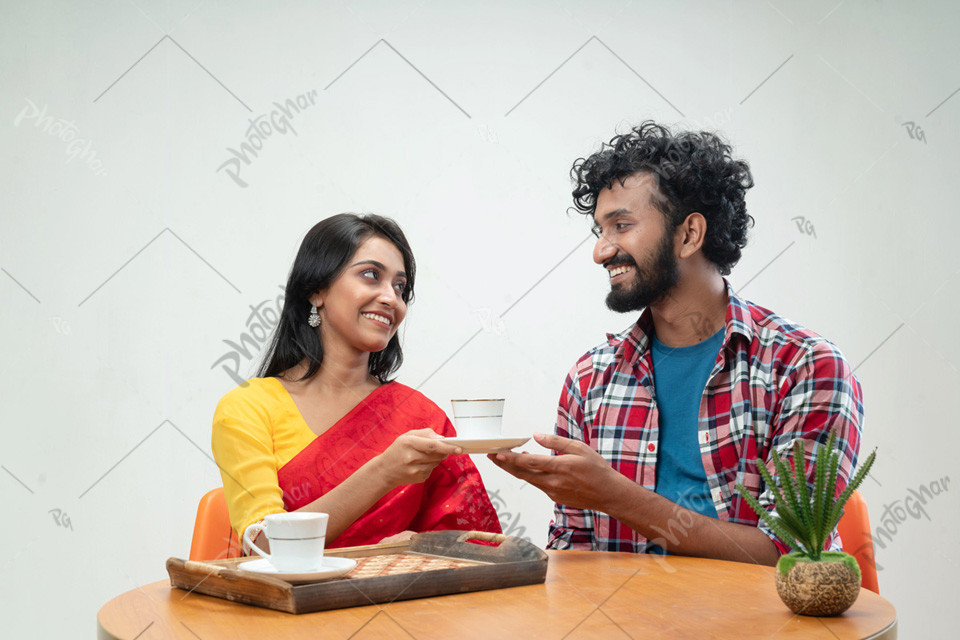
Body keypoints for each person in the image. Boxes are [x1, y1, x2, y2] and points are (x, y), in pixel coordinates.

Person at [490, 122, 863, 565]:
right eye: (599, 231)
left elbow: (794, 555)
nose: (600, 251)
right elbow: (575, 548)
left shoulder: (803, 366)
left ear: (689, 234)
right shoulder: (591, 381)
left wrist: (616, 496)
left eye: (621, 225)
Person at [212, 213, 501, 551]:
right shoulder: (248, 408)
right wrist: (384, 473)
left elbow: (476, 547)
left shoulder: (420, 417)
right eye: (370, 275)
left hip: (405, 601)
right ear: (316, 291)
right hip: (295, 601)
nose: (391, 298)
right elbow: (265, 547)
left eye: (400, 286)